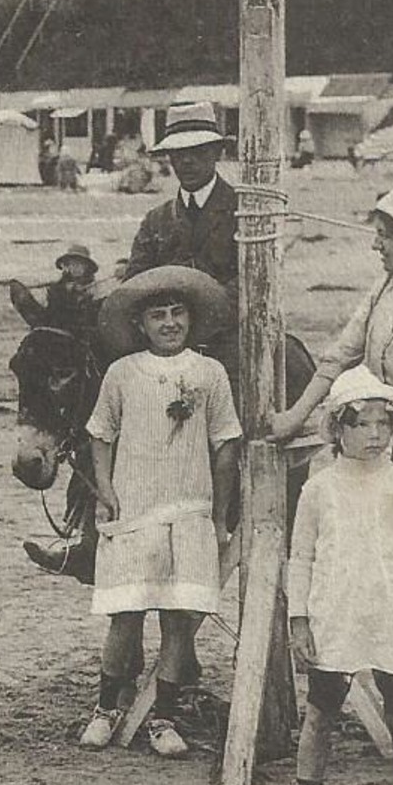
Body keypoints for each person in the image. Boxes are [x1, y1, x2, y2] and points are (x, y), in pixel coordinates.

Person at [79, 266, 241, 758]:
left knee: (178, 619)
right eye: (158, 316)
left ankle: (163, 718)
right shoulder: (123, 373)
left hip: (189, 509)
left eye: (177, 314)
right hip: (135, 508)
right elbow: (100, 435)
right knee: (125, 615)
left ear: (190, 320)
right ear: (142, 325)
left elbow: (226, 444)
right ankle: (107, 708)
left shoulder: (209, 373)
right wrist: (105, 487)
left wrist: (216, 517)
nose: (169, 323)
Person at [283, 366, 393, 785]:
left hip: (391, 617)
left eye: (383, 423)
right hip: (336, 615)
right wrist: (300, 618)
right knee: (320, 715)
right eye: (361, 423)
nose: (374, 434)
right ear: (338, 429)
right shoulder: (320, 488)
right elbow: (301, 555)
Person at [269, 185, 393, 469]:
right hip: (376, 426)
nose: (375, 245)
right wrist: (294, 417)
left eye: (384, 236)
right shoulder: (388, 283)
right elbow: (341, 355)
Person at [125, 102, 238, 292]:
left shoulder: (242, 212)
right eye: (178, 153)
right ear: (169, 157)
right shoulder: (155, 221)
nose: (187, 161)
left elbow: (253, 284)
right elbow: (135, 286)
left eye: (198, 151)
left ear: (217, 152)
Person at [43, 243, 103, 338]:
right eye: (72, 264)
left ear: (86, 267)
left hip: (83, 333)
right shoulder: (57, 288)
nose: (75, 268)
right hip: (58, 329)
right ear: (67, 266)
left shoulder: (94, 288)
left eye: (80, 264)